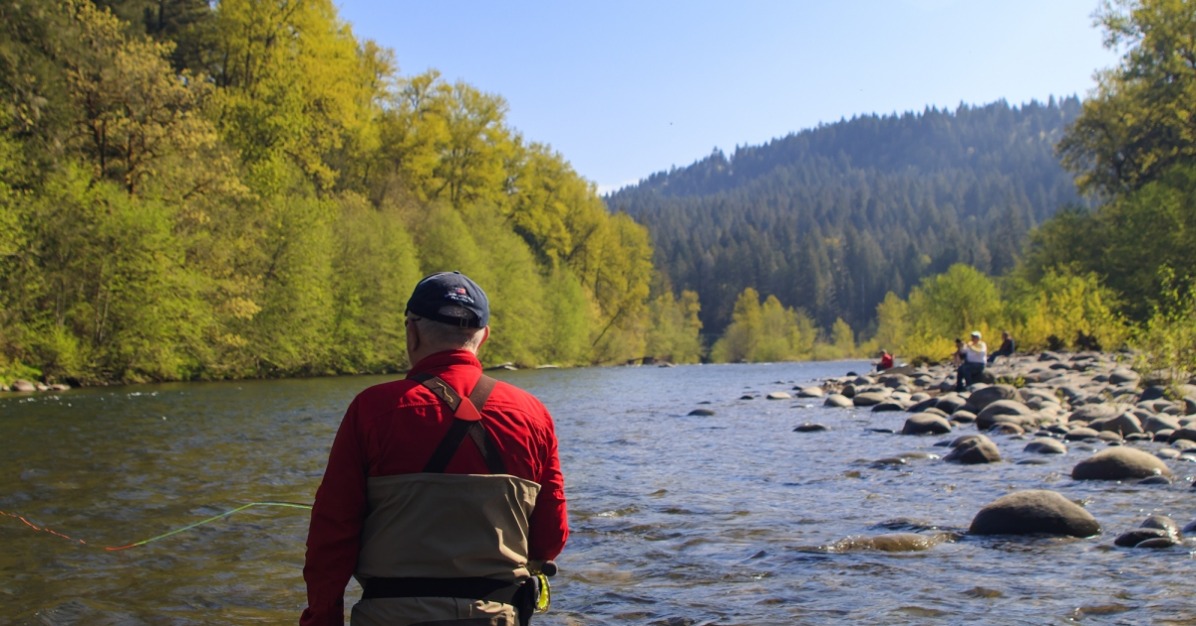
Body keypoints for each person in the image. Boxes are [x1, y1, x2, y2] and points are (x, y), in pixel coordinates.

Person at [301, 271, 568, 626]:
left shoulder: (371, 410)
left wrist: (323, 618)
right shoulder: (532, 414)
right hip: (497, 615)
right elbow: (550, 538)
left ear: (411, 331)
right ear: (483, 336)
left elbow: (330, 537)